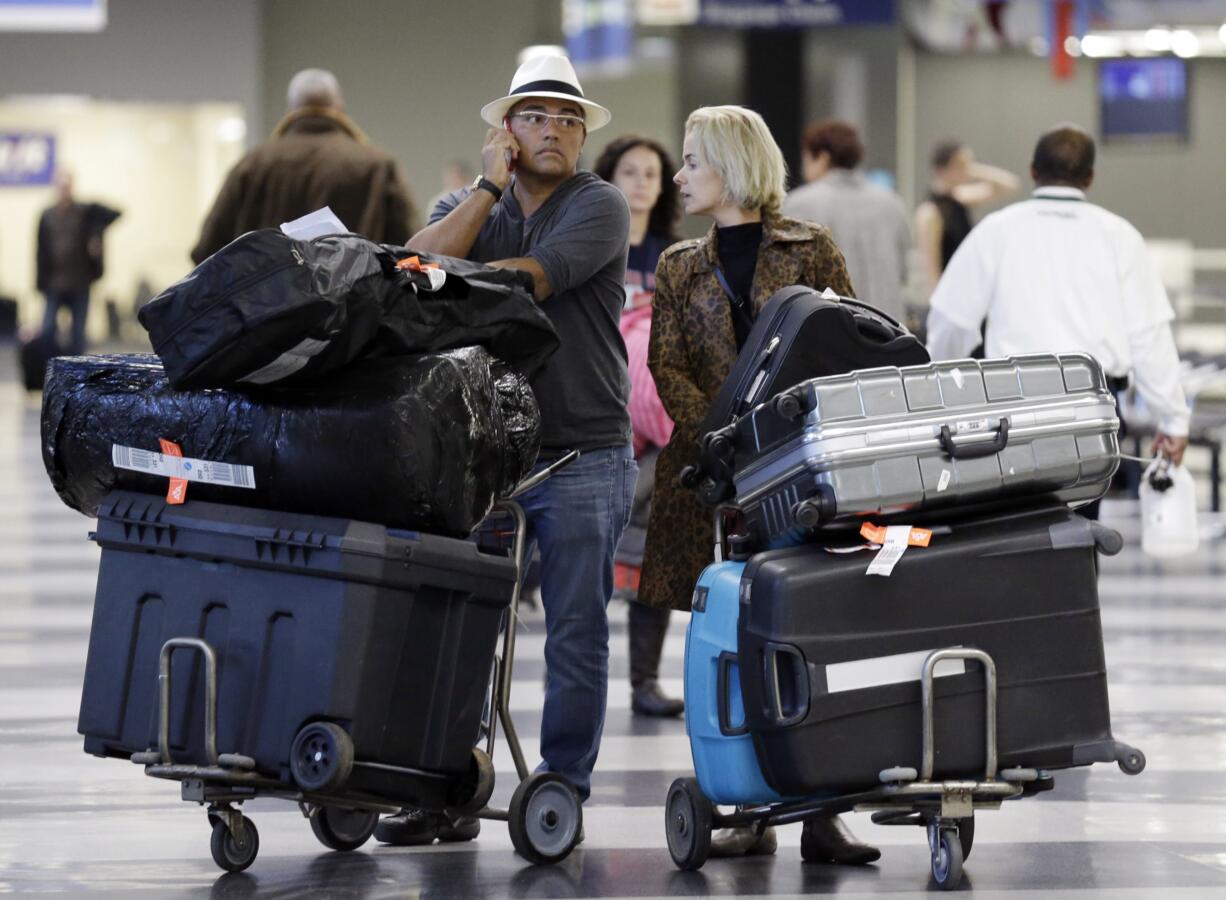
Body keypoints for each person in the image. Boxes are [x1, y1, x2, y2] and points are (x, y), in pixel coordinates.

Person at [373, 53, 636, 847]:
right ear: (505, 131)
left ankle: (562, 786)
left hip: (582, 450)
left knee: (576, 628)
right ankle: (444, 784)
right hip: (482, 454)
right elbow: (408, 265)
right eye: (535, 116)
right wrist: (485, 191)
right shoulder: (474, 201)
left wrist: (447, 274)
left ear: (583, 135)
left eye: (567, 119)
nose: (553, 130)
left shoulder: (600, 204)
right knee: (459, 623)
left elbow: (529, 282)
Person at [638, 104, 878, 865]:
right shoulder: (680, 265)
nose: (679, 176)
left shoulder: (812, 249)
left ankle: (821, 813)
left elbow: (847, 347)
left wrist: (779, 438)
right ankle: (744, 798)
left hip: (799, 469)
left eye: (691, 162)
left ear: (733, 167)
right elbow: (664, 364)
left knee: (808, 631)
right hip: (710, 479)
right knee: (727, 638)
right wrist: (718, 438)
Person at [925, 124, 1189, 516]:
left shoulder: (996, 231)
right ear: (1090, 177)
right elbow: (1148, 335)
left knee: (1015, 527)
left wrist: (940, 392)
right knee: (1082, 531)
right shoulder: (1119, 236)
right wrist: (1173, 418)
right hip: (1092, 408)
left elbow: (951, 321)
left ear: (1033, 171)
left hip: (1010, 408)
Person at [593, 134, 684, 718]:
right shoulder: (593, 244)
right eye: (630, 171)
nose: (643, 182)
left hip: (659, 429)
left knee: (654, 547)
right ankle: (585, 680)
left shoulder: (676, 254)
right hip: (597, 417)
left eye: (652, 172)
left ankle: (644, 680)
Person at [191, 68, 418, 263]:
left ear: (290, 110)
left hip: (264, 312)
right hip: (354, 311)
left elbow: (206, 251)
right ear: (340, 107)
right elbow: (410, 247)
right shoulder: (376, 165)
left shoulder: (251, 165)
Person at [782, 119, 911, 322]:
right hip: (891, 329)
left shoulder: (799, 204)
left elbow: (790, 284)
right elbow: (903, 272)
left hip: (836, 331)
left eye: (806, 158)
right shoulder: (892, 202)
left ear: (822, 158)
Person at [914, 139, 1018, 301]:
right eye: (961, 164)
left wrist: (973, 169)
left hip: (969, 289)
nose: (967, 170)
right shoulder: (930, 212)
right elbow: (931, 268)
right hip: (949, 295)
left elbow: (1010, 185)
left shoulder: (960, 198)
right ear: (943, 169)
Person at [36, 170, 121, 355]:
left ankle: (74, 376)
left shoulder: (85, 212)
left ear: (72, 187)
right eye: (61, 186)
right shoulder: (47, 216)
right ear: (56, 188)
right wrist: (39, 283)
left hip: (80, 283)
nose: (64, 190)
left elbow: (116, 213)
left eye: (67, 186)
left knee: (78, 335)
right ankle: (52, 370)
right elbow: (40, 250)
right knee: (48, 330)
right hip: (54, 283)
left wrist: (96, 236)